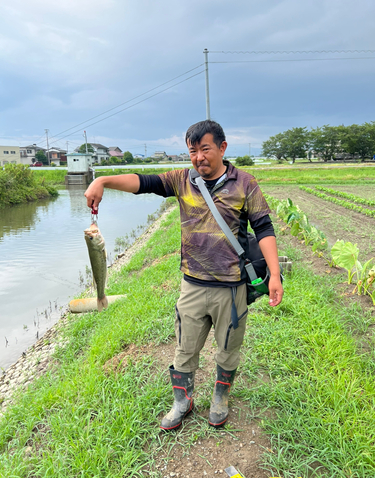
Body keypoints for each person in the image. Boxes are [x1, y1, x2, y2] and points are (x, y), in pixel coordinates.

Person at [84, 120, 283, 430]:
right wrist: (105, 181)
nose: (199, 157)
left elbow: (263, 227)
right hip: (192, 285)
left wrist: (275, 275)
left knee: (229, 348)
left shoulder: (245, 183)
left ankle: (220, 397)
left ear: (222, 148)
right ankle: (183, 401)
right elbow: (144, 182)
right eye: (193, 151)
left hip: (231, 288)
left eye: (205, 149)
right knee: (184, 349)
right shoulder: (181, 180)